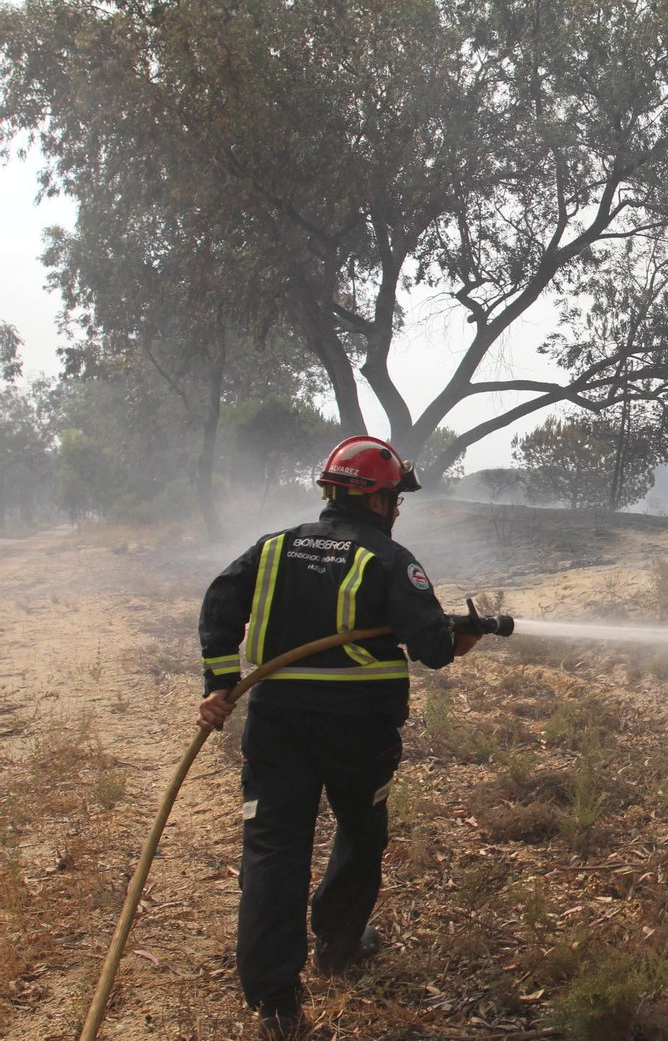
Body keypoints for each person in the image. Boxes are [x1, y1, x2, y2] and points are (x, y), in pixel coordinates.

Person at [196, 435, 479, 1040]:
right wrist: (464, 634)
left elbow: (220, 596)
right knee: (359, 829)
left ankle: (275, 999)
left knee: (274, 845)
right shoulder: (387, 558)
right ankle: (336, 944)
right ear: (378, 501)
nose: (397, 510)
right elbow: (432, 645)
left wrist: (221, 680)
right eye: (395, 498)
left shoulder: (274, 547)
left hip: (277, 725)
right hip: (359, 731)